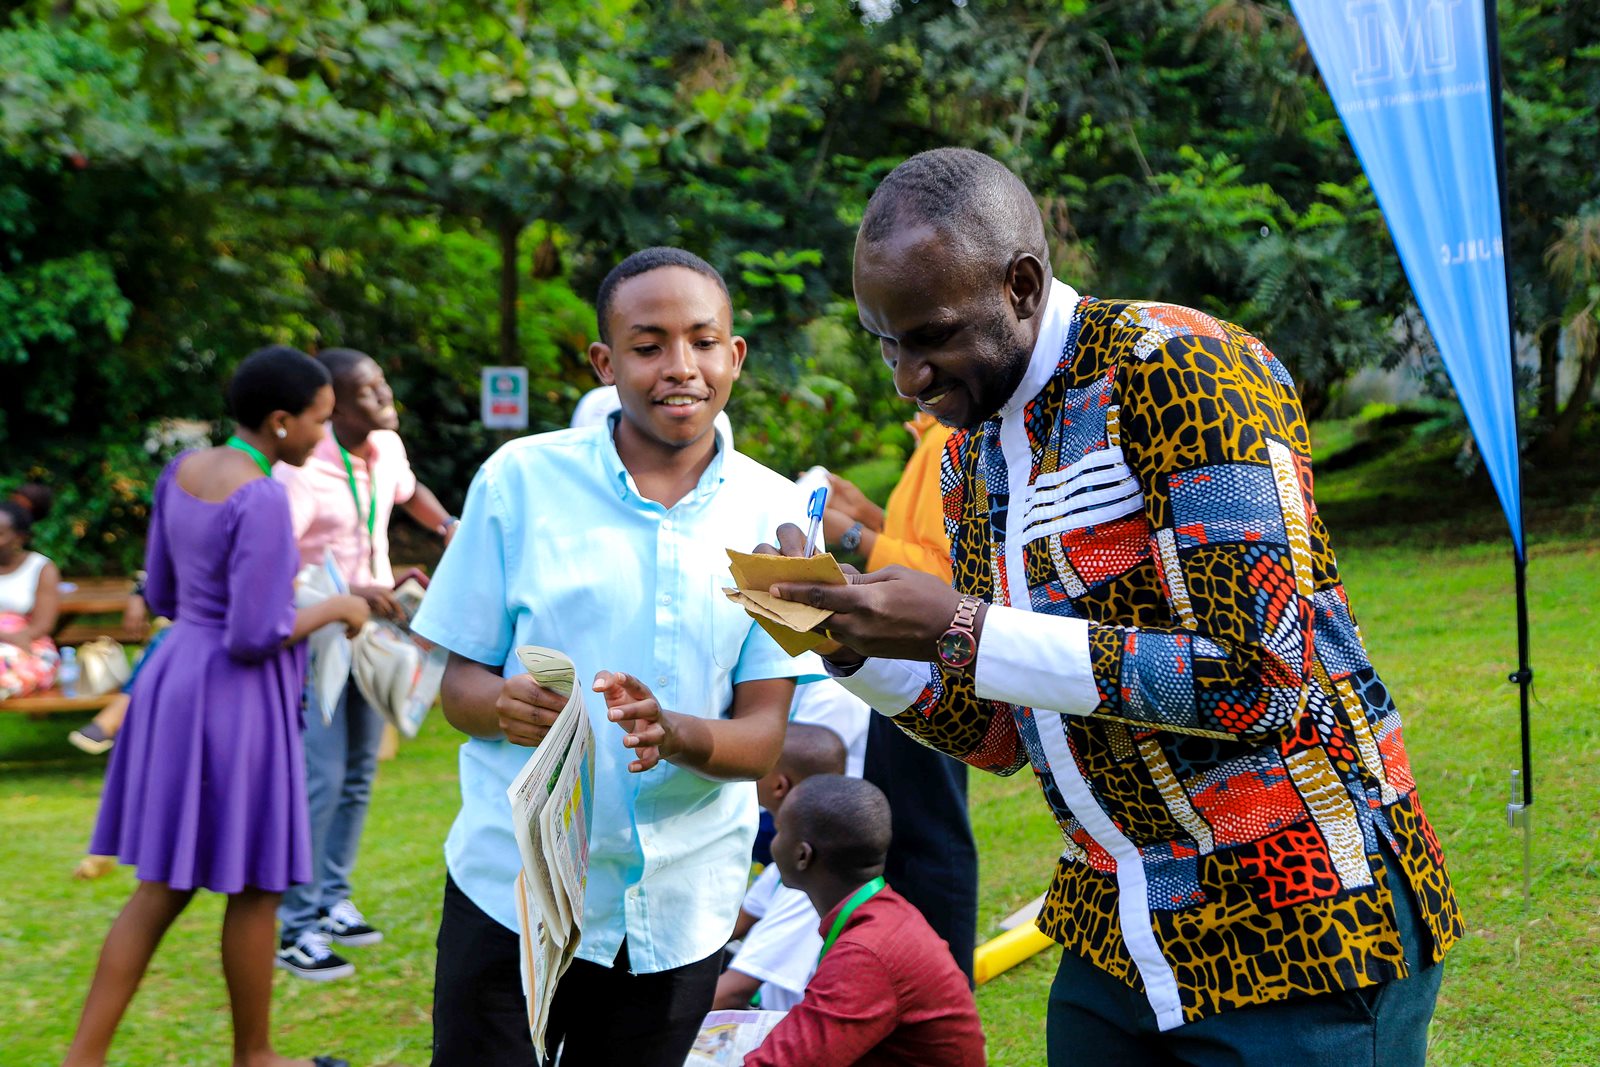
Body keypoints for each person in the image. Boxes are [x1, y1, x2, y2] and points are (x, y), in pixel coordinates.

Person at [762, 148, 1463, 1066]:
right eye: (886, 342)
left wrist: (960, 626)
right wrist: (849, 644)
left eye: (931, 337)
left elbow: (1260, 680)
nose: (908, 379)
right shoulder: (973, 452)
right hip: (1116, 931)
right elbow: (1003, 733)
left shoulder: (1187, 372)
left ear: (1021, 283)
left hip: (1301, 926)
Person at [410, 247, 818, 1067]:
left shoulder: (783, 518)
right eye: (647, 344)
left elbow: (765, 737)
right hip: (513, 891)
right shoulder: (516, 482)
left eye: (704, 341)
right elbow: (456, 682)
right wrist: (500, 704)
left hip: (679, 907)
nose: (681, 368)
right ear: (605, 361)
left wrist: (676, 732)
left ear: (735, 355)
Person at [66, 345, 370, 1067]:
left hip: (173, 679)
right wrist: (338, 604)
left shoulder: (184, 470)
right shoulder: (262, 494)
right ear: (280, 421)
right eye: (320, 422)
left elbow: (166, 594)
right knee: (259, 885)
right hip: (235, 696)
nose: (325, 437)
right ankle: (255, 1055)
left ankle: (81, 1057)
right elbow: (254, 633)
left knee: (160, 885)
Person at [272, 347, 456, 981]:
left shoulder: (387, 451)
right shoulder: (300, 469)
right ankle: (293, 928)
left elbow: (409, 494)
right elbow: (277, 562)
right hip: (320, 634)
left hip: (372, 631)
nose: (387, 398)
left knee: (356, 773)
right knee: (318, 777)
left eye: (384, 384)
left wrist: (445, 527)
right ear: (336, 407)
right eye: (371, 391)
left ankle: (331, 900)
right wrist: (353, 590)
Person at [820, 413, 979, 982]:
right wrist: (865, 513)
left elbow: (942, 579)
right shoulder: (932, 439)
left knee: (929, 833)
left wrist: (852, 536)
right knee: (902, 828)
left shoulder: (954, 440)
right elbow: (918, 541)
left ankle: (945, 990)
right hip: (897, 664)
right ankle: (910, 981)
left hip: (930, 664)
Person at [743, 775, 985, 1067]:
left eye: (779, 830)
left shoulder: (866, 954)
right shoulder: (884, 912)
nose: (773, 841)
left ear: (802, 855)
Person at [714, 721, 851, 1012]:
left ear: (779, 785)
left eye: (757, 764)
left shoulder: (809, 882)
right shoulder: (795, 855)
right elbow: (734, 925)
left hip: (780, 1023)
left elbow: (732, 993)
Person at [0, 497, 61, 700]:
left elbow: (43, 624)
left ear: (19, 538)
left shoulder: (41, 568)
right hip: (11, 639)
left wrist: (14, 639)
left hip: (29, 644)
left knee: (9, 662)